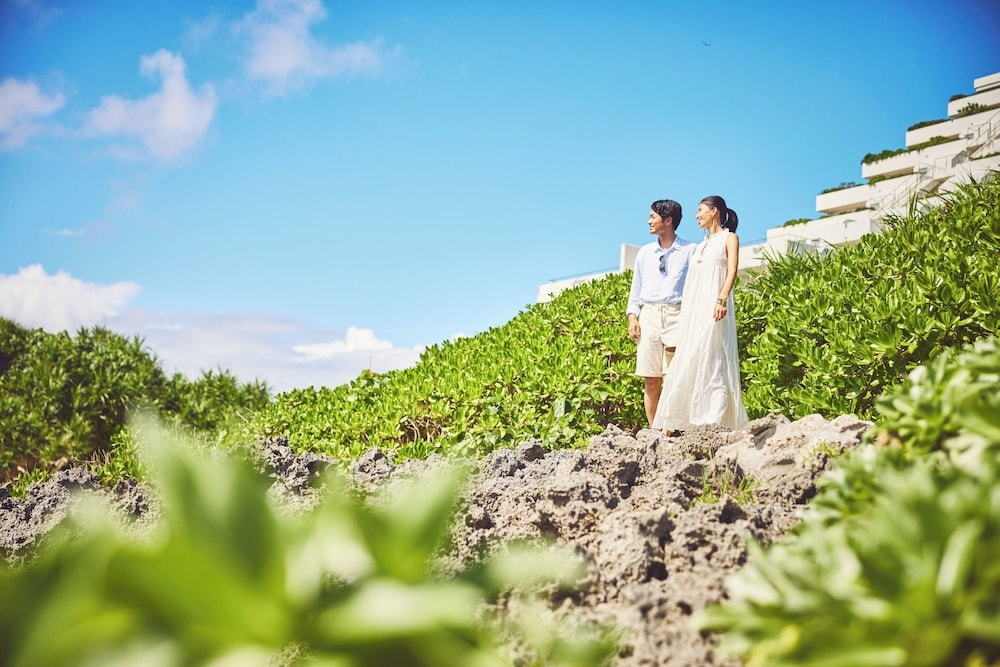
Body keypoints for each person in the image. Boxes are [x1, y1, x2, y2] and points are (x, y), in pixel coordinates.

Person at [653, 195, 749, 433]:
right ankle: (683, 420)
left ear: (714, 211)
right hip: (694, 310)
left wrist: (721, 299)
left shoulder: (729, 238)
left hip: (714, 307)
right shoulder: (700, 245)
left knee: (713, 359)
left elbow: (732, 270)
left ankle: (714, 421)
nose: (696, 216)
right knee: (692, 358)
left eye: (700, 210)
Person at [626, 199, 698, 426]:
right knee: (651, 379)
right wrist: (633, 317)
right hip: (650, 316)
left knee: (673, 377)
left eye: (653, 217)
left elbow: (697, 285)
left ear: (668, 220)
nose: (648, 221)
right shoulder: (645, 253)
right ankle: (655, 431)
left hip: (677, 315)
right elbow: (635, 289)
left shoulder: (690, 250)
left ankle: (672, 427)